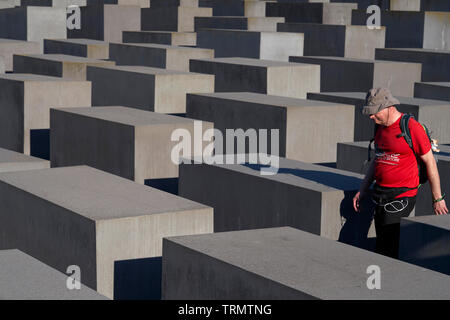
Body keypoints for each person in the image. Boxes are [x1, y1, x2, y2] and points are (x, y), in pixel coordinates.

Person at [353, 88, 448, 259]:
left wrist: (437, 198)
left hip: (402, 195)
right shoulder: (379, 127)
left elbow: (430, 162)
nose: (371, 117)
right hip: (380, 192)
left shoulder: (412, 127)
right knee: (382, 239)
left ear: (389, 107)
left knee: (388, 245)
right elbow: (377, 159)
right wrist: (363, 189)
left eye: (374, 113)